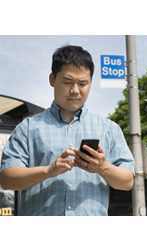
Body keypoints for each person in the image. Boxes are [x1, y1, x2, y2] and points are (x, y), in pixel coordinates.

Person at [0, 45, 135, 216]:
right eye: (67, 82)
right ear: (52, 79)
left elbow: (128, 181)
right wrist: (48, 171)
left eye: (83, 83)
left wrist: (102, 167)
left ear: (91, 83)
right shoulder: (27, 128)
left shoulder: (109, 129)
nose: (75, 91)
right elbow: (6, 179)